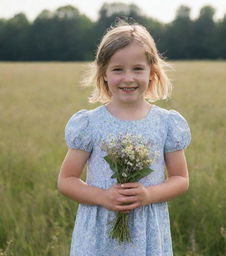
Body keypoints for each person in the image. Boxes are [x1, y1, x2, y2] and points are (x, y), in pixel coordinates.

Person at [58, 20, 191, 256]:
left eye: (138, 69)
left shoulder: (166, 123)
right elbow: (67, 180)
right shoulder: (90, 124)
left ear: (152, 73)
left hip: (147, 232)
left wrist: (149, 194)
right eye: (118, 69)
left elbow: (180, 178)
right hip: (99, 233)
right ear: (104, 74)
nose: (128, 78)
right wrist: (102, 197)